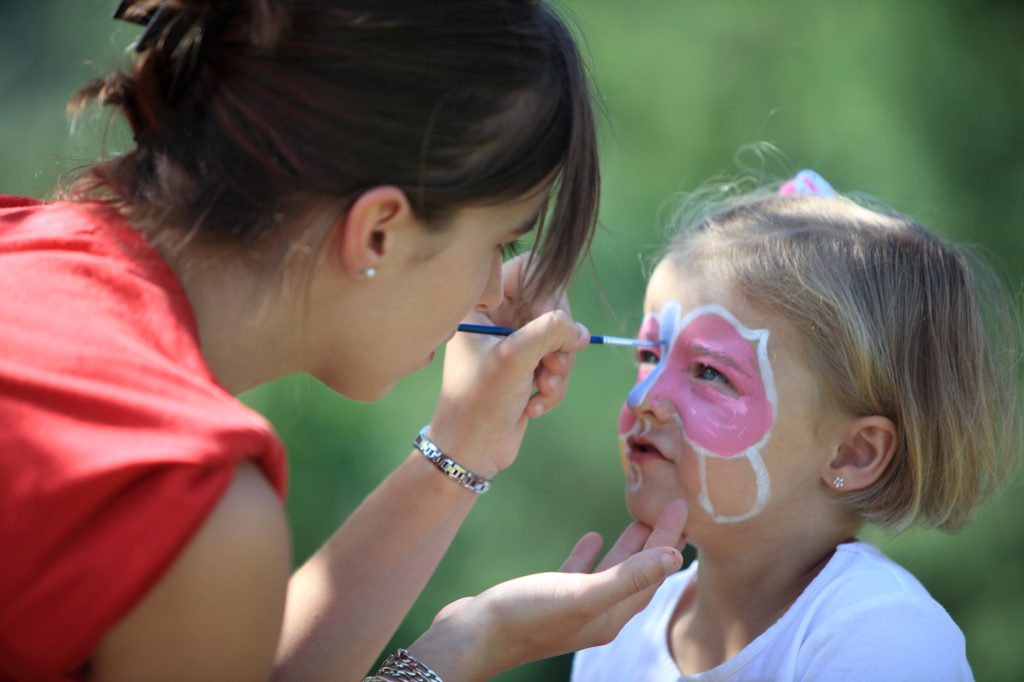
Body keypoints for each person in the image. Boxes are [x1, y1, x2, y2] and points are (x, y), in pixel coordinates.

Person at [0, 2, 689, 680]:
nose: (491, 288)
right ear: (379, 232)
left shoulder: (21, 249)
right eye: (500, 239)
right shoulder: (181, 495)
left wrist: (463, 444)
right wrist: (465, 651)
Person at [571, 170, 1021, 681]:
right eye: (651, 355)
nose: (644, 397)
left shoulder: (882, 635)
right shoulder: (619, 626)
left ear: (854, 453)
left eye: (710, 372)